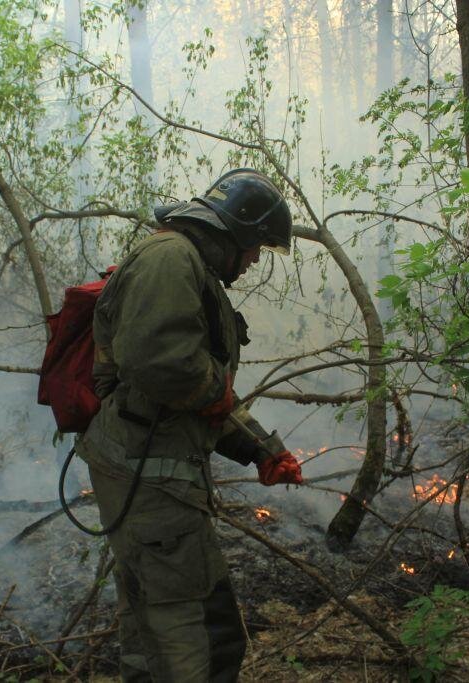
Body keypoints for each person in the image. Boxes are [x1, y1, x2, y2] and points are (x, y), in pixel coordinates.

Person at [74, 168, 303, 682]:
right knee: (197, 639)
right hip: (151, 484)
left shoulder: (183, 262)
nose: (254, 260)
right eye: (256, 247)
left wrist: (261, 449)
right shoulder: (171, 258)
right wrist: (218, 395)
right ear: (235, 232)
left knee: (150, 632)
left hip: (144, 475)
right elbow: (165, 364)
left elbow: (193, 394)